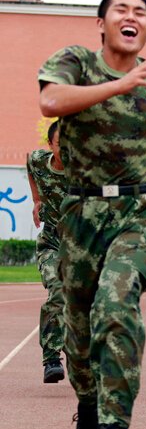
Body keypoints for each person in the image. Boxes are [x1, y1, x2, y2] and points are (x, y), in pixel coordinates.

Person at [38, 0, 146, 429]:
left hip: (135, 212)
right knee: (77, 330)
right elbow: (50, 101)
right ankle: (87, 396)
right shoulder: (76, 61)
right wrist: (119, 86)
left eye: (141, 13)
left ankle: (115, 424)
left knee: (116, 304)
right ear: (101, 23)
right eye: (121, 10)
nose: (132, 17)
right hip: (80, 215)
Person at [27, 121, 67, 384]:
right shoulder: (40, 160)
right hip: (51, 244)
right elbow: (30, 164)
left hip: (80, 248)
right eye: (62, 145)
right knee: (57, 289)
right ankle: (51, 358)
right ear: (51, 145)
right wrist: (37, 199)